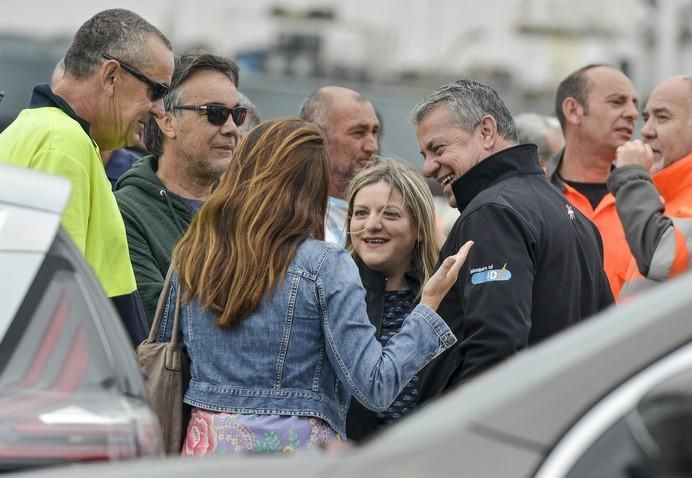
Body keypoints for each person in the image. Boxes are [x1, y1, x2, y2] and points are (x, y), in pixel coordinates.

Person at [156, 119, 471, 454]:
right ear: (313, 186)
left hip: (206, 450)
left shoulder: (192, 255)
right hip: (295, 453)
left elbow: (168, 354)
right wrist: (429, 304)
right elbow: (375, 386)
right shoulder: (324, 265)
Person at [413, 80, 614, 392]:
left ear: (487, 131)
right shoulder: (569, 213)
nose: (427, 168)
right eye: (424, 154)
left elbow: (494, 349)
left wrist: (463, 433)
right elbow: (605, 341)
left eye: (438, 149)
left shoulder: (493, 213)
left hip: (497, 426)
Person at [0, 9, 174, 344]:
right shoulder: (63, 143)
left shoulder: (31, 130)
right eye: (156, 90)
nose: (160, 109)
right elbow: (49, 298)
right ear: (111, 75)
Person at [115, 53, 242, 325]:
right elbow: (156, 320)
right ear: (166, 121)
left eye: (237, 114)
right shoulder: (124, 213)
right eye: (216, 114)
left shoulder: (249, 208)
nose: (232, 129)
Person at [343, 158, 440, 442]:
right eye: (360, 213)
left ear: (420, 227)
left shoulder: (446, 299)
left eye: (390, 214)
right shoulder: (332, 294)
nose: (372, 225)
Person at [547, 64, 639, 298]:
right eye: (617, 102)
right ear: (573, 110)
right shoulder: (533, 200)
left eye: (634, 104)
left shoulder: (648, 200)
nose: (632, 114)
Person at [608, 75, 692, 299]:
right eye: (647, 118)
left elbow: (663, 257)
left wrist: (632, 177)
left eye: (662, 117)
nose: (646, 130)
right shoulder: (662, 197)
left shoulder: (642, 191)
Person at [299, 86, 380, 246]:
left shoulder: (395, 210)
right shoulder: (293, 216)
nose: (373, 146)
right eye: (358, 133)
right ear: (316, 136)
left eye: (375, 131)